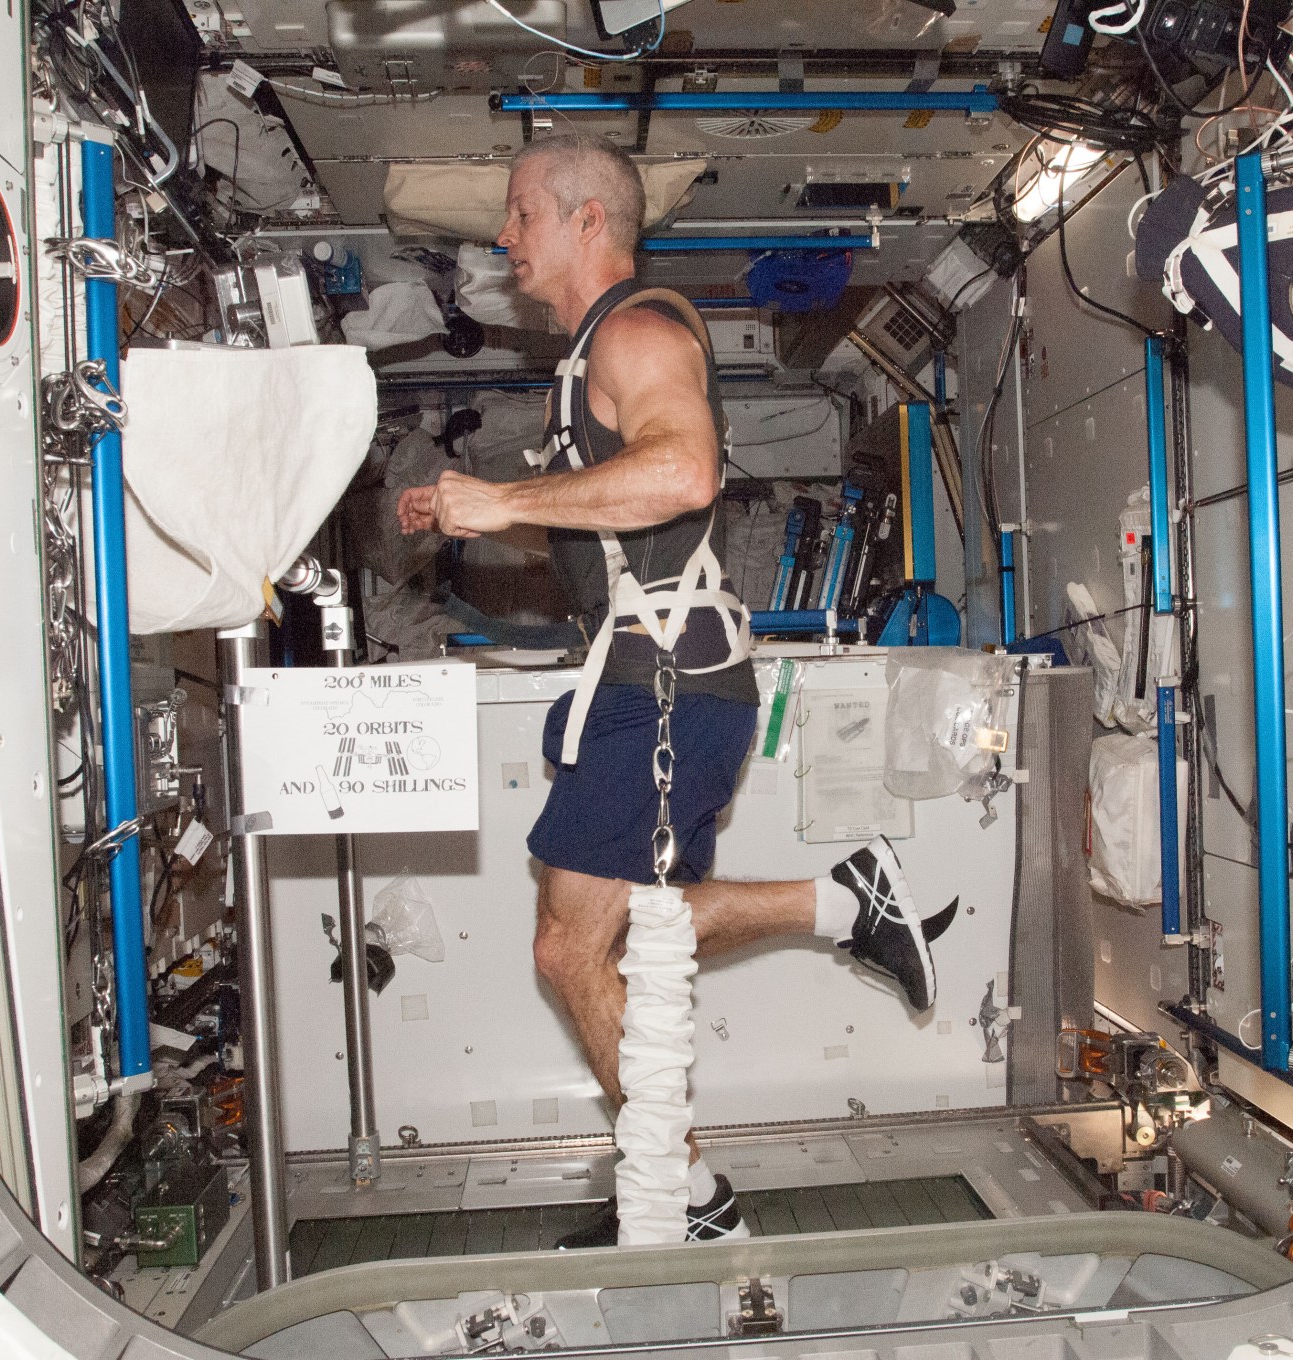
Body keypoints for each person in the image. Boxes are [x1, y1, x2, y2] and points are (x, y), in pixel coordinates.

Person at [398, 133, 955, 1246]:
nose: (504, 238)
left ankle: (692, 1196)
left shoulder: (638, 332)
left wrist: (504, 503)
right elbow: (618, 507)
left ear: (584, 222)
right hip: (648, 682)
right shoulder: (589, 355)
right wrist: (483, 506)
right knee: (627, 930)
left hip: (663, 686)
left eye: (521, 215)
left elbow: (682, 472)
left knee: (569, 949)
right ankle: (842, 907)